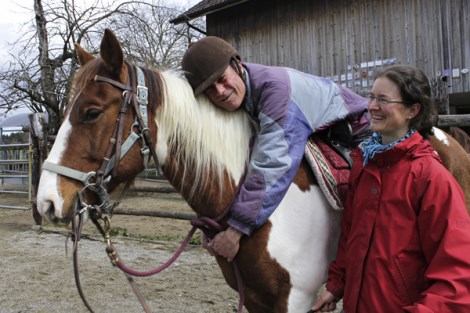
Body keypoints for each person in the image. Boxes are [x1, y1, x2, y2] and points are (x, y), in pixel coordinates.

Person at [181, 36, 370, 262]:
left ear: (238, 66)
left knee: (370, 205)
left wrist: (235, 231)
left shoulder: (275, 92)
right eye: (210, 90)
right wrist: (211, 223)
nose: (220, 91)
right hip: (323, 131)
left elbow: (274, 163)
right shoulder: (243, 97)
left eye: (222, 79)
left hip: (355, 130)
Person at [310, 65, 470, 313]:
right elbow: (351, 236)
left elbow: (457, 275)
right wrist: (336, 285)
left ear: (413, 110)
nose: (372, 106)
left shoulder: (431, 178)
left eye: (383, 100)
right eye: (371, 97)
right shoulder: (363, 165)